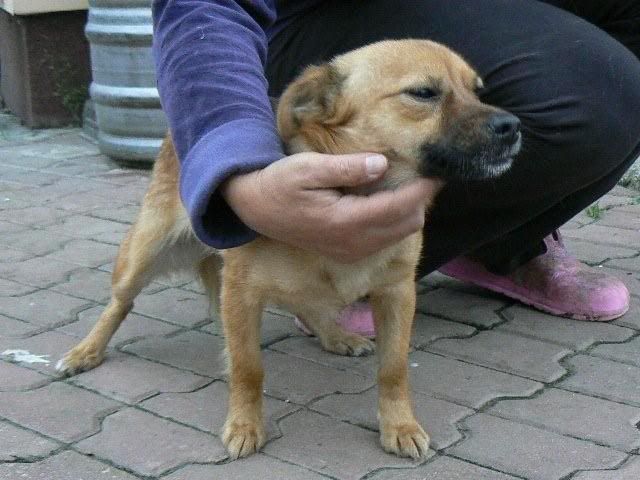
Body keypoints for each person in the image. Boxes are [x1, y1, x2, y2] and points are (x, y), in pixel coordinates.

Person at [152, 0, 640, 334]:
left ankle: (502, 241)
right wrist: (240, 164)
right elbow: (205, 7)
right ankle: (344, 261)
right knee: (603, 91)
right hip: (298, 20)